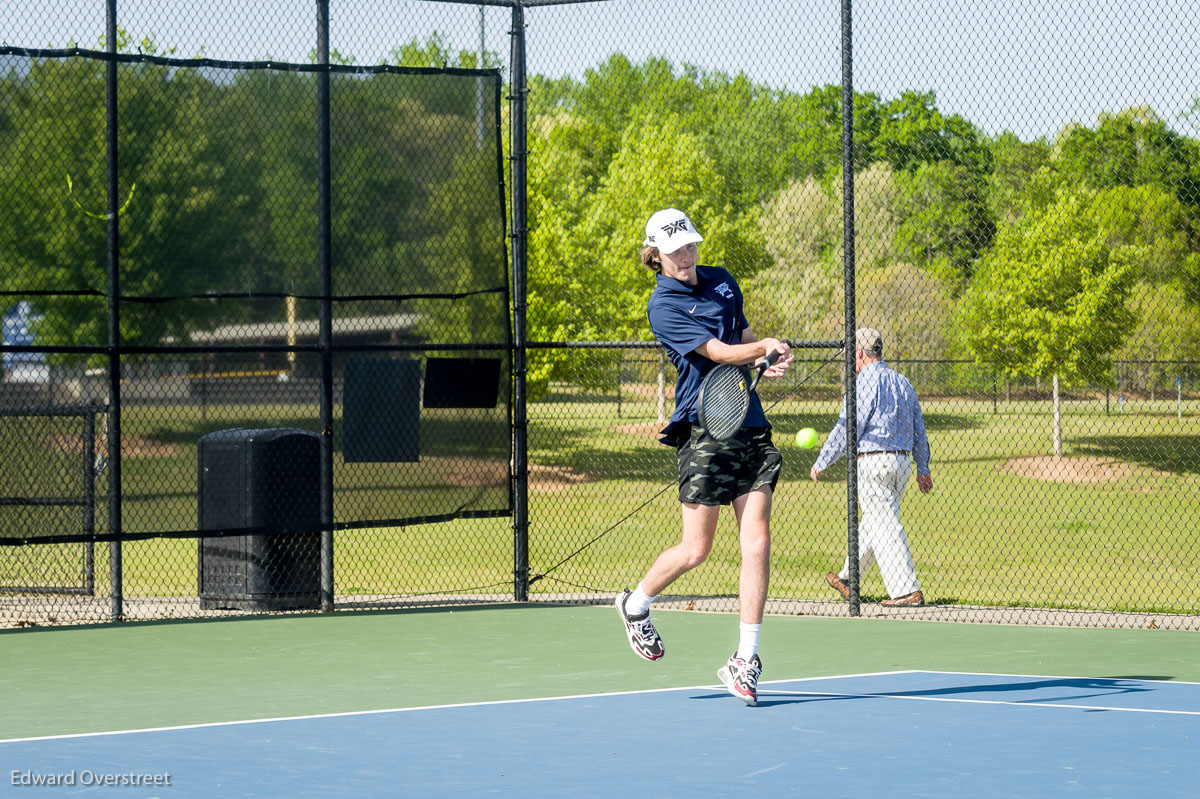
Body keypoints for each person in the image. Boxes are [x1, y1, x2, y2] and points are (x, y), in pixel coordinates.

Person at [614, 207, 794, 707]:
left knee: (756, 542)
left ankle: (746, 660)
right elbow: (715, 352)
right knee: (697, 550)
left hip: (749, 423)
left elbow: (737, 340)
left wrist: (764, 356)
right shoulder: (663, 306)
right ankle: (635, 604)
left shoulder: (722, 282)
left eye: (690, 246)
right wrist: (764, 346)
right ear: (656, 256)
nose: (687, 257)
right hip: (704, 429)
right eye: (675, 252)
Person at [810, 327, 932, 607]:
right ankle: (848, 579)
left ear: (860, 353)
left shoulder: (863, 384)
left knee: (886, 524)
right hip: (902, 464)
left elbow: (848, 428)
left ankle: (906, 591)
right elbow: (919, 429)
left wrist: (823, 461)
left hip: (874, 463)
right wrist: (922, 467)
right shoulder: (903, 382)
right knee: (876, 522)